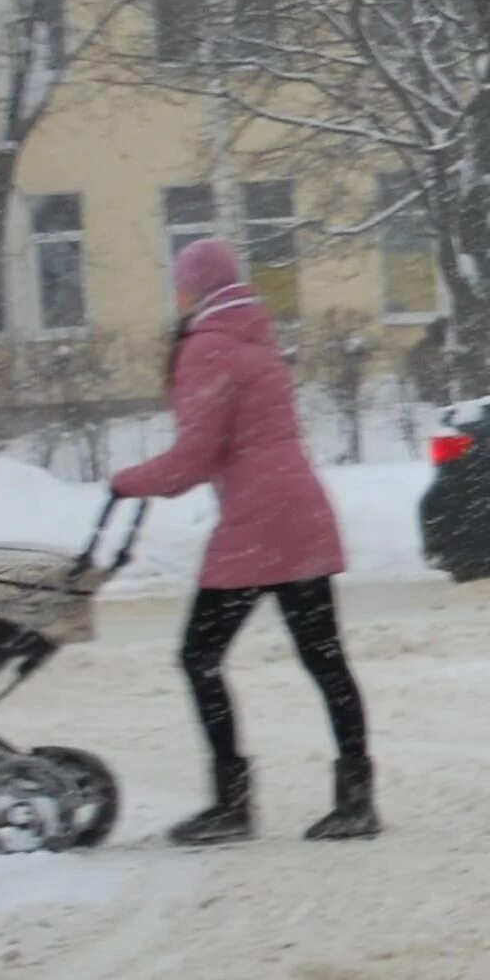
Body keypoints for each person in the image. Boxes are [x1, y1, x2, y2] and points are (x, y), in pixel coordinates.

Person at [112, 237, 379, 846]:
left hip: (257, 525)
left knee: (197, 656)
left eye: (180, 285)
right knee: (325, 658)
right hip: (302, 511)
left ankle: (231, 806)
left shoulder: (206, 348)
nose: (176, 297)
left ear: (194, 289)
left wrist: (126, 482)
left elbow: (190, 461)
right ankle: (357, 799)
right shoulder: (257, 342)